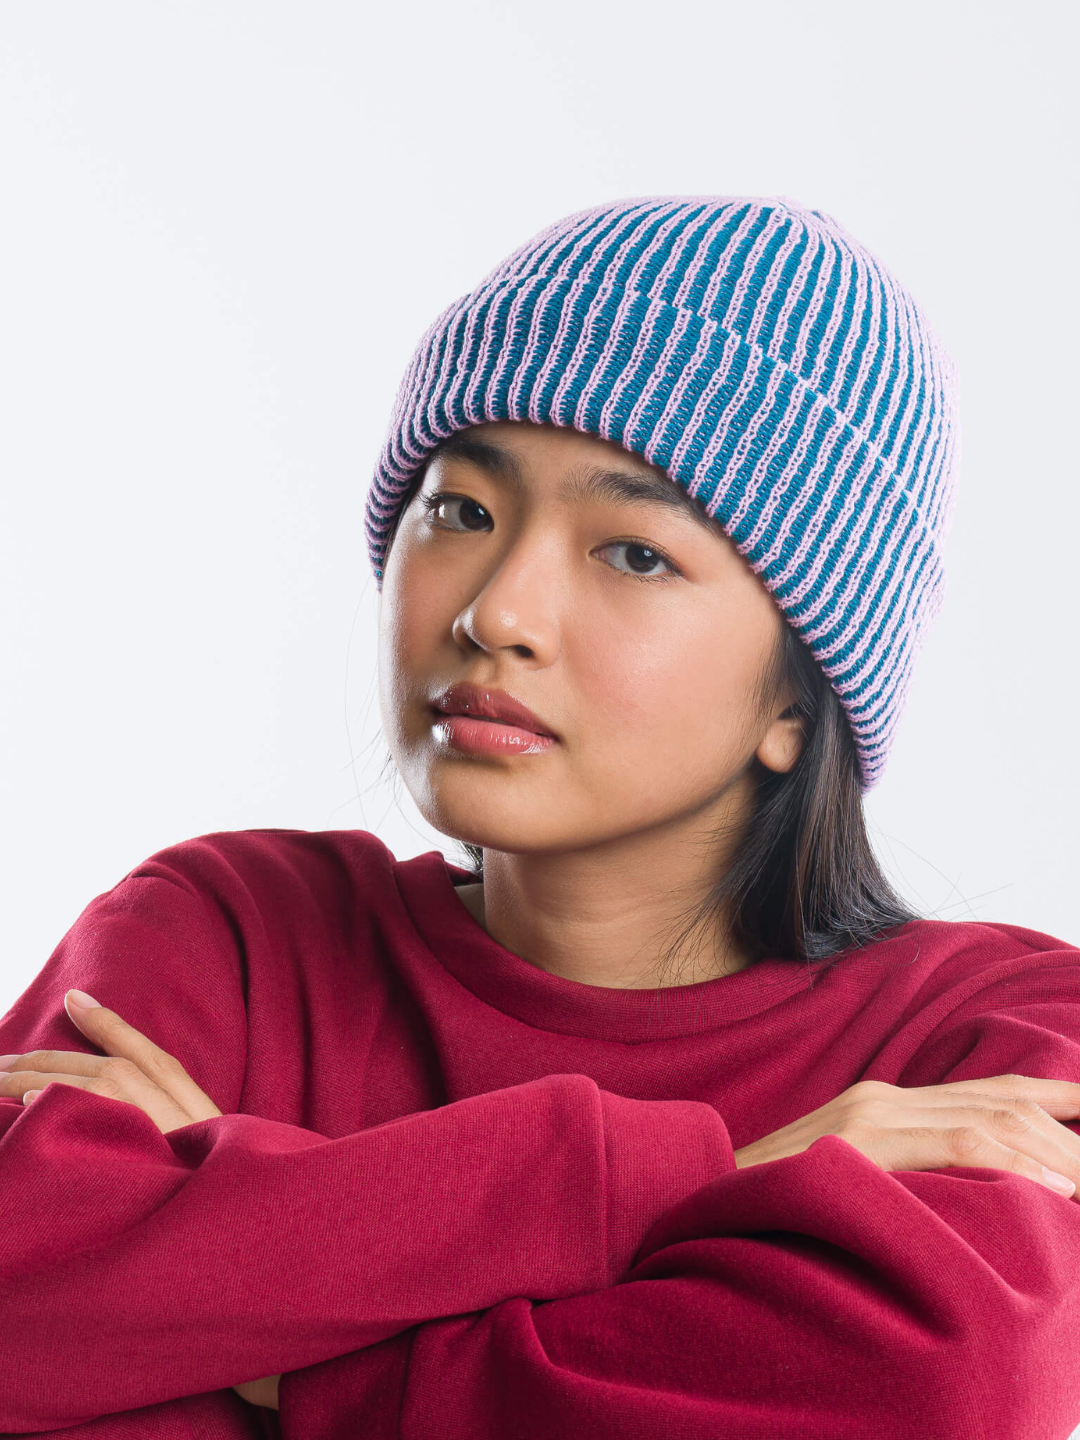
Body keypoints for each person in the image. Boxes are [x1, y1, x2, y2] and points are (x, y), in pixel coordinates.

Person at [2, 196, 1080, 1439]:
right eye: (460, 512)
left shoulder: (993, 1051)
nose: (500, 611)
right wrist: (698, 1183)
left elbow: (943, 1387)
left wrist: (263, 1335)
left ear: (798, 692)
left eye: (632, 553)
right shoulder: (228, 938)